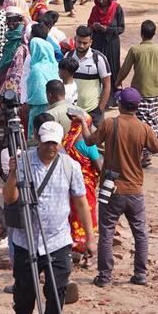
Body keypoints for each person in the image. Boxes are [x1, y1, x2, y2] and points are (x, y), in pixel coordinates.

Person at [3, 120, 94, 314]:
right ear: (39, 141)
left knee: (56, 289)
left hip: (58, 239)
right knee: (25, 290)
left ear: (60, 142)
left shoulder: (69, 165)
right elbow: (10, 198)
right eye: (46, 143)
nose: (50, 148)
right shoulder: (24, 161)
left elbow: (81, 202)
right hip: (27, 240)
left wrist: (90, 237)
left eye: (54, 143)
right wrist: (13, 174)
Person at [80, 87, 158, 287]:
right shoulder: (143, 128)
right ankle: (140, 274)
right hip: (134, 190)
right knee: (140, 233)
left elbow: (89, 140)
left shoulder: (109, 124)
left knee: (106, 232)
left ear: (120, 105)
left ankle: (105, 277)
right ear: (137, 107)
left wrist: (82, 123)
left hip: (111, 189)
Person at [116, 20, 158, 165]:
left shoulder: (135, 50)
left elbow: (125, 70)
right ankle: (150, 149)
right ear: (154, 33)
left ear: (141, 33)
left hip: (138, 93)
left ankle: (147, 152)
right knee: (151, 118)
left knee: (141, 122)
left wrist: (117, 82)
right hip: (155, 91)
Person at [61, 106, 101, 256]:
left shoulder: (67, 139)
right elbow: (98, 166)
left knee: (73, 213)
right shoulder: (86, 143)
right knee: (86, 213)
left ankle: (73, 243)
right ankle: (86, 248)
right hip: (85, 184)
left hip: (68, 182)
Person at [87, 0, 125, 85]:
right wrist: (93, 27)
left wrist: (107, 29)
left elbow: (121, 28)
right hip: (98, 42)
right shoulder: (95, 9)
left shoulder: (116, 8)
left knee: (113, 66)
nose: (101, 1)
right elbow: (89, 25)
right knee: (98, 65)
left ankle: (114, 87)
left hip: (111, 43)